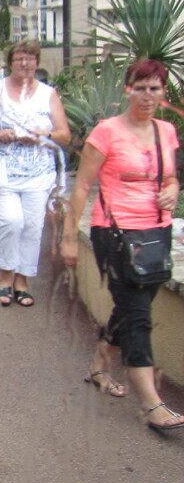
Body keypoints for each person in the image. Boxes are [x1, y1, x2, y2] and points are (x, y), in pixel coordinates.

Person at [60, 59, 183, 431]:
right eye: (140, 87)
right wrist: (69, 237)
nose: (147, 96)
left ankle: (100, 362)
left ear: (163, 93)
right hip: (114, 234)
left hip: (155, 231)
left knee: (134, 306)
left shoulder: (166, 131)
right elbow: (81, 186)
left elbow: (172, 177)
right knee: (139, 315)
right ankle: (151, 404)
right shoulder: (107, 132)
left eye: (155, 88)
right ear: (127, 90)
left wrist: (172, 191)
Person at [0, 40, 70, 307]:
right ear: (10, 63)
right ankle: (4, 279)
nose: (25, 64)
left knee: (32, 227)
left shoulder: (48, 94)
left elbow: (65, 135)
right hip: (3, 172)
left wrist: (43, 136)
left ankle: (22, 283)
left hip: (39, 173)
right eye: (20, 59)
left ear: (37, 62)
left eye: (31, 59)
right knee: (10, 222)